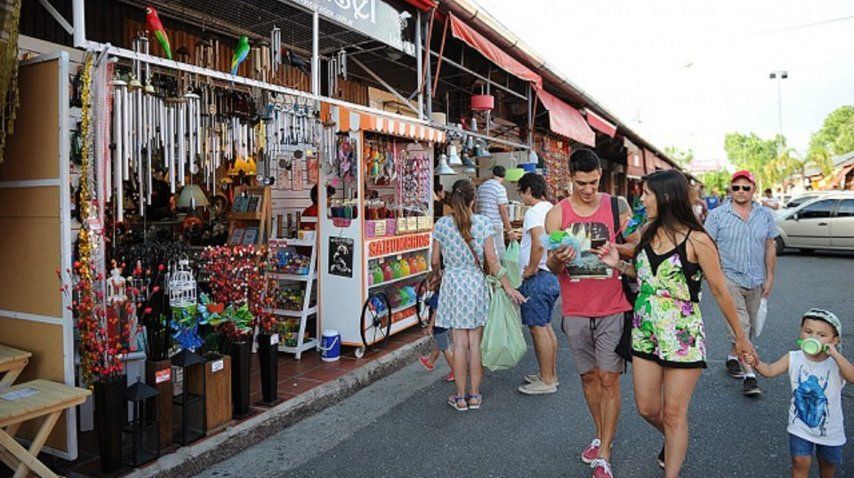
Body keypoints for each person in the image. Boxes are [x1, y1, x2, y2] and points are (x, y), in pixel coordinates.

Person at [596, 169, 756, 478]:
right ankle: (674, 436)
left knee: (673, 412)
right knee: (646, 408)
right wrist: (618, 264)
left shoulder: (698, 239)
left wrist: (741, 337)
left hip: (682, 335)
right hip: (645, 330)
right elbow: (645, 278)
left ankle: (673, 457)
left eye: (647, 193)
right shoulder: (645, 231)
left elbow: (720, 291)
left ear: (666, 196)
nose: (641, 198)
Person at [544, 149, 636, 478]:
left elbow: (636, 246)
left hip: (613, 305)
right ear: (570, 178)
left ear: (600, 175)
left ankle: (605, 454)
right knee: (589, 377)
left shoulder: (616, 206)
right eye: (581, 183)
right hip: (576, 309)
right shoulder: (557, 215)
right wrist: (561, 257)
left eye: (594, 182)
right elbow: (552, 266)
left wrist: (616, 249)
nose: (588, 189)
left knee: (610, 378)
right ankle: (601, 433)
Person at [433, 179, 525, 412]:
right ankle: (475, 396)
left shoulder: (442, 224)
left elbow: (435, 261)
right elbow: (492, 262)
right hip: (475, 284)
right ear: (474, 199)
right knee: (475, 344)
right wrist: (508, 287)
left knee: (459, 344)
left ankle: (460, 397)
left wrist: (437, 275)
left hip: (452, 284)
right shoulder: (484, 223)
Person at [744, 309, 851, 478]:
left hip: (830, 429)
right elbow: (770, 371)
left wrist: (836, 355)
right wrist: (757, 363)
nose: (813, 338)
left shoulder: (836, 363)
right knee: (799, 462)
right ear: (801, 332)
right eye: (808, 332)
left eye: (821, 335)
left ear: (834, 339)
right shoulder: (794, 357)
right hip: (799, 426)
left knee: (828, 464)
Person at [704, 170, 778, 396]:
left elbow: (769, 246)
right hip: (729, 279)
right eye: (736, 187)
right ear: (730, 189)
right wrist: (712, 277)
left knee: (751, 326)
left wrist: (770, 277)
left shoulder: (765, 215)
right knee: (741, 325)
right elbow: (706, 247)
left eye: (746, 187)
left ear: (753, 189)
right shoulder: (717, 216)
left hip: (755, 279)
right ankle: (751, 376)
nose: (741, 191)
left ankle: (732, 357)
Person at [515, 173, 560, 395]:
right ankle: (550, 373)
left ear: (529, 190)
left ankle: (547, 379)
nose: (522, 198)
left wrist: (531, 269)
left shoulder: (534, 211)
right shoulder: (552, 208)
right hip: (551, 275)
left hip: (538, 276)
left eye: (521, 192)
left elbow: (538, 243)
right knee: (546, 325)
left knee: (537, 328)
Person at [419, 271, 454, 382]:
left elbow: (435, 313)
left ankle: (455, 370)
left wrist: (430, 326)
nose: (426, 286)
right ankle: (430, 362)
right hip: (447, 325)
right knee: (439, 345)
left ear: (434, 284)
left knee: (445, 349)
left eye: (428, 283)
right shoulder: (444, 295)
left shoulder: (435, 297)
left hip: (440, 327)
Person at [476, 165, 518, 260]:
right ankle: (500, 274)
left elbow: (477, 207)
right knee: (499, 254)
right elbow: (503, 211)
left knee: (485, 252)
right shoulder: (500, 188)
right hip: (495, 225)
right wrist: (510, 231)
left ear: (493, 174)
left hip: (481, 224)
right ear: (503, 176)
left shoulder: (481, 187)